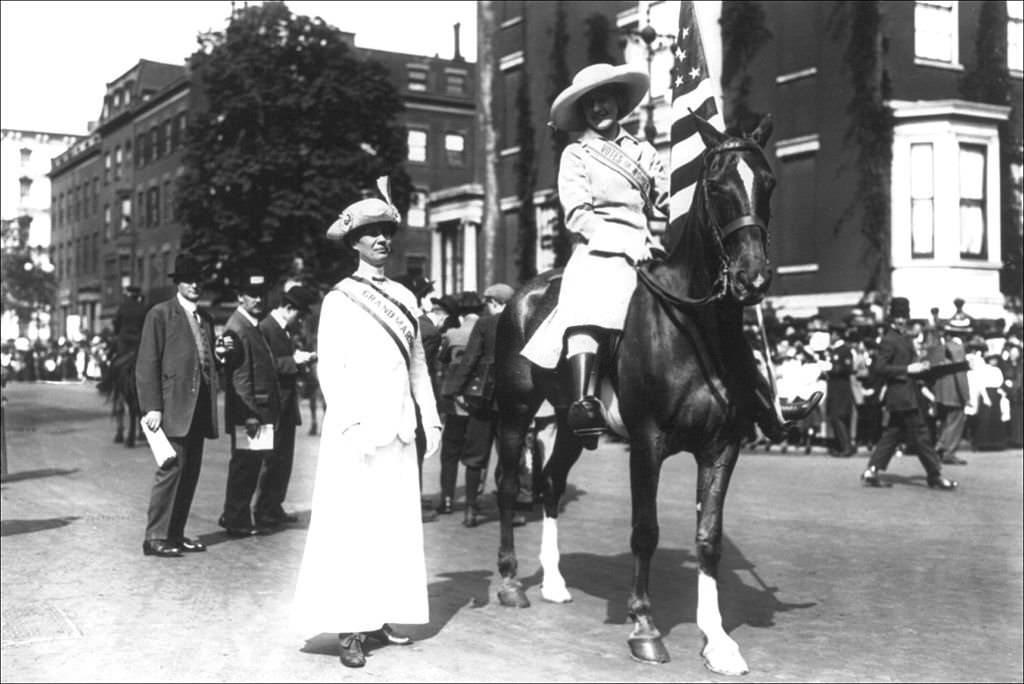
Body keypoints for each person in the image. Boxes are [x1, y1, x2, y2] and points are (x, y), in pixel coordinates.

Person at [521, 62, 818, 444]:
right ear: (583, 110)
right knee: (590, 300)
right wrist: (621, 243)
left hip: (646, 249)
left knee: (709, 306)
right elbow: (578, 214)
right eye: (591, 103)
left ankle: (763, 398)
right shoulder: (577, 154)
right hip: (601, 250)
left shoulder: (643, 152)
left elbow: (670, 200)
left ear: (618, 103)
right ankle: (583, 401)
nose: (599, 109)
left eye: (605, 100)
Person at [292, 185, 441, 669]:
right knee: (352, 527)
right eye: (370, 232)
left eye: (386, 232)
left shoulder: (402, 295)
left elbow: (418, 362)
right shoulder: (340, 297)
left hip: (398, 431)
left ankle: (379, 614)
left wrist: (430, 416)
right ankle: (350, 626)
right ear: (353, 241)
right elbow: (330, 369)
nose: (381, 239)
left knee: (392, 526)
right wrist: (350, 422)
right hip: (356, 431)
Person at [135, 253, 222, 557]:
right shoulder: (160, 315)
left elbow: (205, 361)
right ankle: (155, 536)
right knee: (171, 469)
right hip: (172, 407)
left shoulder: (205, 319)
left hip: (198, 408)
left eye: (199, 280)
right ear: (179, 283)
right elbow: (147, 364)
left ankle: (175, 532)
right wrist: (152, 407)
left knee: (190, 472)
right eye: (189, 279)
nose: (196, 285)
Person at [860, 297, 957, 490]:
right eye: (897, 317)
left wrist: (922, 366)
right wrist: (907, 369)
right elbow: (880, 368)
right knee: (921, 435)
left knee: (892, 434)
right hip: (901, 395)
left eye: (903, 316)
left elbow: (910, 364)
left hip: (906, 395)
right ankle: (935, 475)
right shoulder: (889, 339)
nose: (901, 320)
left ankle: (872, 470)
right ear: (891, 318)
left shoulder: (904, 338)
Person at [442, 283, 516, 528]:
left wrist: (454, 390)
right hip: (511, 399)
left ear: (494, 302)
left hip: (482, 398)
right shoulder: (522, 323)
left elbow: (470, 360)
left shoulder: (484, 325)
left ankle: (471, 510)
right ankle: (509, 512)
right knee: (508, 458)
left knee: (475, 456)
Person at [218, 269, 282, 538]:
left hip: (260, 410)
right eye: (252, 295)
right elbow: (241, 378)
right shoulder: (238, 328)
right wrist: (250, 415)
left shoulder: (250, 325)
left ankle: (235, 514)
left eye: (260, 295)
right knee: (245, 466)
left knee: (251, 465)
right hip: (252, 412)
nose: (258, 300)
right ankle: (236, 519)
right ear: (240, 297)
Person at [255, 285, 318, 528]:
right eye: (299, 315)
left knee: (284, 459)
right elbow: (264, 365)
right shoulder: (266, 328)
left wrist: (299, 361)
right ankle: (263, 510)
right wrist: (294, 360)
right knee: (270, 460)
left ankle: (274, 505)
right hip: (272, 406)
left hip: (285, 406)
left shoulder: (282, 330)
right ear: (288, 308)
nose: (300, 321)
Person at [435, 291, 484, 515]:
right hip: (478, 399)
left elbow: (442, 358)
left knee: (450, 452)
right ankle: (472, 501)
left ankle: (446, 498)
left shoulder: (453, 334)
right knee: (477, 451)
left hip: (454, 401)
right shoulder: (486, 331)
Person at [927, 319, 971, 465]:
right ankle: (948, 451)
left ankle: (941, 445)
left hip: (941, 391)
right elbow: (960, 374)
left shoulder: (943, 346)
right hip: (954, 392)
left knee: (946, 421)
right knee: (956, 421)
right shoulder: (958, 348)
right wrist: (966, 396)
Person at [822, 323, 857, 457]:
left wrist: (832, 368)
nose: (830, 336)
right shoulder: (832, 351)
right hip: (833, 387)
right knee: (834, 417)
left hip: (841, 389)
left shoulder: (844, 350)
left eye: (832, 334)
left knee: (838, 417)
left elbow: (848, 368)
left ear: (837, 335)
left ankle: (846, 447)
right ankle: (842, 446)